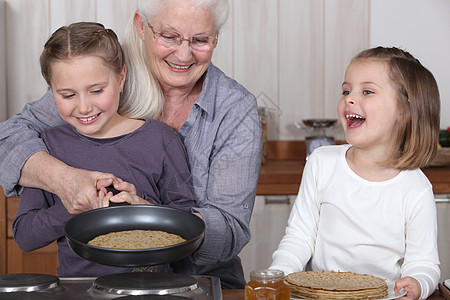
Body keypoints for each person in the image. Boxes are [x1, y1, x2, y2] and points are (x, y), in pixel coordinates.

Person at [0, 0, 262, 288]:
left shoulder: (233, 110)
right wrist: (67, 183)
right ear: (141, 25)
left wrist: (148, 215)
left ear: (216, 38)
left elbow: (230, 229)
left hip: (198, 282)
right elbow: (10, 136)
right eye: (169, 36)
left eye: (200, 40)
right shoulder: (97, 75)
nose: (184, 54)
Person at [12, 22, 196, 277]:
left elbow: (188, 226)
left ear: (121, 78)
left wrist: (140, 206)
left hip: (155, 288)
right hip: (79, 292)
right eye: (67, 95)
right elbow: (25, 236)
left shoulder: (160, 139)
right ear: (51, 92)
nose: (84, 107)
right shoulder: (48, 147)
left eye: (97, 90)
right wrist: (73, 205)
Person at [270, 47, 440, 300]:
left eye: (367, 91)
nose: (349, 98)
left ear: (404, 111)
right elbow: (300, 236)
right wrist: (279, 274)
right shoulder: (321, 163)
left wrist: (419, 283)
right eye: (346, 90)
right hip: (318, 295)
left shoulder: (416, 189)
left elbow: (424, 263)